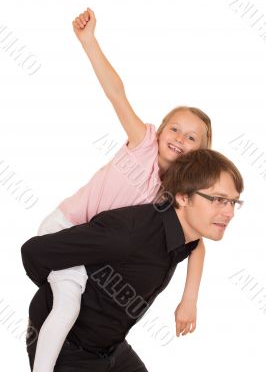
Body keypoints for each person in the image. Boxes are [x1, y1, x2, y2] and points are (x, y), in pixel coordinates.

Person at [30, 7, 212, 372]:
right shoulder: (142, 144)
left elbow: (198, 243)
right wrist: (89, 42)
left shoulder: (174, 195)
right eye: (174, 128)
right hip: (66, 230)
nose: (179, 138)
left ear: (201, 154)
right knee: (67, 304)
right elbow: (117, 93)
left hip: (96, 254)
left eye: (191, 137)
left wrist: (188, 299)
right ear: (159, 131)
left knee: (87, 306)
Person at [21, 148, 244, 372]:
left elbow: (197, 248)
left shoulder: (187, 235)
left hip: (112, 347)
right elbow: (34, 251)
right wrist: (61, 286)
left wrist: (189, 300)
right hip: (67, 347)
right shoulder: (129, 235)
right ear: (183, 197)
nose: (230, 213)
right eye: (218, 200)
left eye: (234, 202)